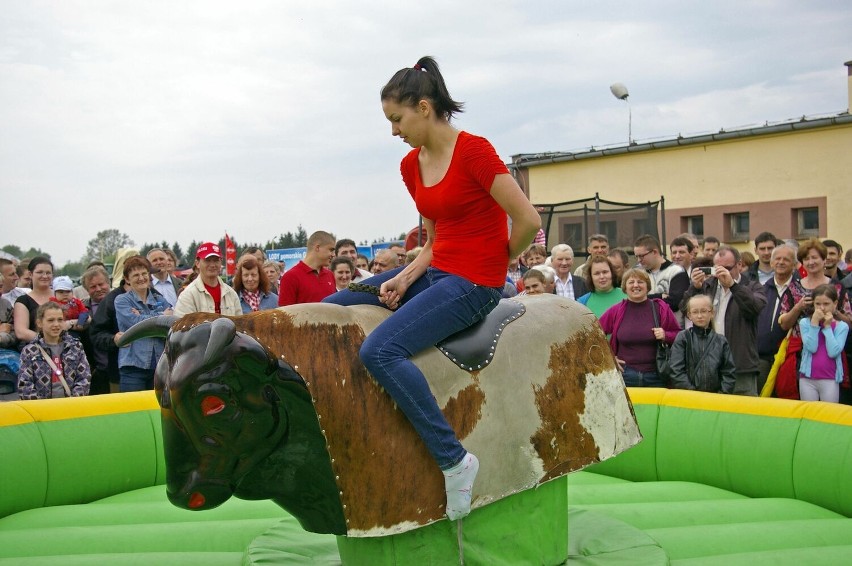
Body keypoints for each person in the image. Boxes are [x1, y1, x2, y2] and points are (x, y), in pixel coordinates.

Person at [323, 56, 541, 521]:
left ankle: (454, 461)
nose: (394, 131)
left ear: (424, 107)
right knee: (329, 306)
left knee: (379, 352)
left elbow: (528, 220)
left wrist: (497, 262)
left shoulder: (475, 152)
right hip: (435, 270)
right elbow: (433, 242)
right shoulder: (410, 166)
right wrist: (402, 277)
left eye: (396, 119)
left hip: (473, 283)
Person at [684, 245, 767, 396]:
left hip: (741, 366)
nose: (722, 272)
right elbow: (685, 310)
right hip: (711, 365)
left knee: (744, 412)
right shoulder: (707, 286)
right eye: (718, 268)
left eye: (727, 268)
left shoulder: (753, 286)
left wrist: (733, 286)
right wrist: (694, 288)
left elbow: (754, 308)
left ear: (740, 265)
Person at [598, 268, 681, 387]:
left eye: (640, 282)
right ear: (625, 288)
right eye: (631, 282)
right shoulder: (616, 310)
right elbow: (594, 335)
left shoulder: (660, 308)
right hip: (625, 375)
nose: (636, 285)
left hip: (657, 374)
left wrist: (665, 335)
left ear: (647, 287)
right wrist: (608, 358)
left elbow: (679, 335)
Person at [114, 256, 173, 391]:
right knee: (132, 410)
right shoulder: (121, 300)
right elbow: (135, 324)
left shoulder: (160, 299)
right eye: (135, 275)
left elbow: (169, 325)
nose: (141, 278)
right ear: (127, 279)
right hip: (132, 368)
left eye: (144, 273)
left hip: (159, 368)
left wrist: (143, 317)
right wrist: (161, 316)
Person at [17, 302, 90, 399]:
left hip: (71, 407)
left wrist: (74, 401)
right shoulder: (30, 351)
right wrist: (42, 407)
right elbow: (24, 384)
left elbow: (84, 378)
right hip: (41, 410)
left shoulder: (75, 347)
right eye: (50, 320)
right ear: (39, 323)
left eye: (60, 320)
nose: (56, 324)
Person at [669, 295, 736, 394]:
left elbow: (728, 372)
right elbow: (676, 369)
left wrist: (722, 394)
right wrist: (692, 393)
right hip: (690, 398)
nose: (699, 316)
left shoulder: (721, 341)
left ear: (712, 313)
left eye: (704, 311)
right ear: (689, 315)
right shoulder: (683, 338)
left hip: (715, 399)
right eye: (695, 312)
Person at [756, 244, 798, 392]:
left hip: (790, 356)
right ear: (772, 263)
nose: (781, 262)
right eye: (777, 259)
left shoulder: (799, 289)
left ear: (794, 264)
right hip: (763, 356)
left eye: (786, 259)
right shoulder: (761, 289)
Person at [798, 284, 849, 403]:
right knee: (809, 413)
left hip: (830, 378)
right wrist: (815, 323)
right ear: (813, 304)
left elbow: (834, 352)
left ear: (835, 304)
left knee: (829, 414)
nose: (821, 308)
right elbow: (811, 347)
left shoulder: (841, 326)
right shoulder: (805, 323)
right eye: (817, 304)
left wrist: (827, 327)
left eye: (826, 304)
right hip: (807, 378)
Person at [174, 243, 241, 316]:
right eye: (207, 260)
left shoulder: (231, 294)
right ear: (197, 263)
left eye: (216, 260)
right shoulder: (188, 295)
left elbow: (240, 324)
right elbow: (183, 325)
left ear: (220, 262)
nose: (212, 265)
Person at [277, 232, 337, 306]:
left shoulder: (330, 275)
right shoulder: (290, 277)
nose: (333, 255)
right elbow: (285, 314)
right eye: (331, 250)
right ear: (317, 247)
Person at [634, 234, 688, 315]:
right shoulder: (636, 271)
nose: (639, 260)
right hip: (643, 324)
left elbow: (675, 303)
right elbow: (632, 300)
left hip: (671, 326)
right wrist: (659, 296)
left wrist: (643, 300)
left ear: (655, 252)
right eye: (636, 256)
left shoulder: (676, 271)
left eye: (641, 256)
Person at [14, 257, 64, 345]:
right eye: (39, 272)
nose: (45, 276)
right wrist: (49, 340)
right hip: (36, 350)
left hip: (67, 349)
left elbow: (83, 316)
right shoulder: (23, 301)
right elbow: (21, 332)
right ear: (30, 274)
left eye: (48, 273)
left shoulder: (63, 296)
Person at [79, 265, 112, 395]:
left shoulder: (121, 301)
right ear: (86, 289)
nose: (98, 289)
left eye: (101, 284)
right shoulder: (82, 307)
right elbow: (80, 325)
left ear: (108, 283)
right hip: (96, 370)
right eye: (93, 287)